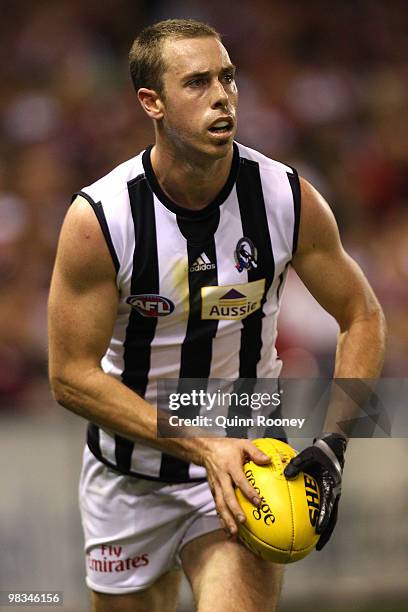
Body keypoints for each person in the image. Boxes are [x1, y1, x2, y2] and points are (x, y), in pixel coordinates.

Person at [48, 18, 386, 612]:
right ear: (151, 102)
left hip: (248, 459)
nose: (222, 95)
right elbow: (69, 375)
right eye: (198, 82)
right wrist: (203, 446)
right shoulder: (100, 220)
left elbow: (362, 314)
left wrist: (334, 443)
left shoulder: (285, 197)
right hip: (129, 475)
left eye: (228, 78)